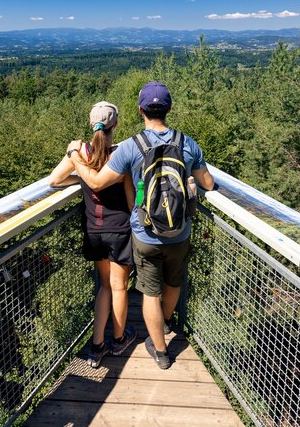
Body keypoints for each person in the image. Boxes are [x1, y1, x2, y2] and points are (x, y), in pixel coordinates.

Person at [67, 82, 214, 369]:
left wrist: (74, 156)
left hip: (144, 232)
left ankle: (160, 351)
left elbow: (96, 182)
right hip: (180, 231)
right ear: (169, 109)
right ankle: (167, 320)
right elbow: (208, 183)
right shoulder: (187, 143)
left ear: (140, 111)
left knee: (149, 291)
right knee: (174, 282)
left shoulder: (132, 147)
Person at [48, 101, 137, 368]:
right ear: (116, 125)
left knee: (104, 287)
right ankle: (119, 339)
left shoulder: (81, 152)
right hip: (119, 229)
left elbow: (54, 180)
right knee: (120, 287)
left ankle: (96, 346)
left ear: (91, 124)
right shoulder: (121, 154)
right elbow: (132, 201)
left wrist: (81, 175)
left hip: (94, 230)